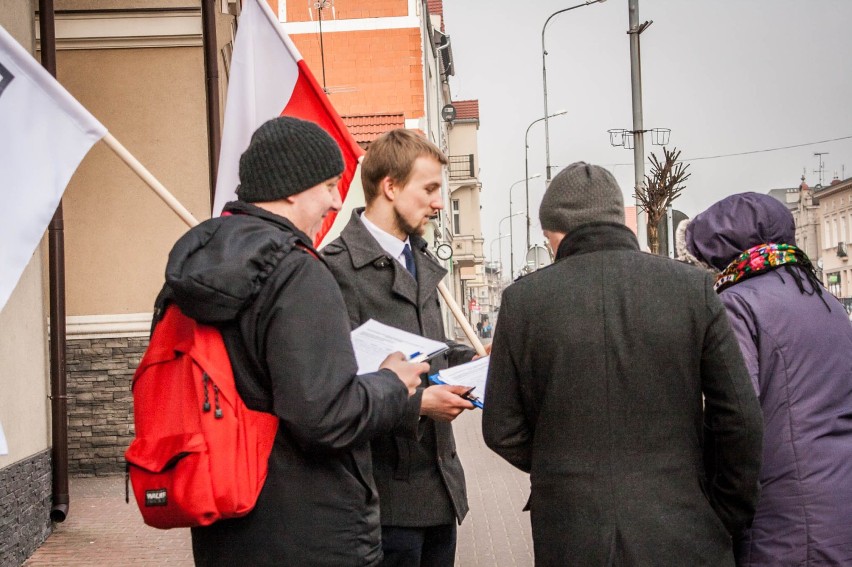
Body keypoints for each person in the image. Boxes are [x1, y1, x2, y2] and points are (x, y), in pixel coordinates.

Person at [159, 116, 427, 566]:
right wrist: (391, 383)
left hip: (224, 522)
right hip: (312, 531)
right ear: (291, 187)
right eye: (327, 184)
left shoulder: (191, 272)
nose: (334, 200)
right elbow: (325, 417)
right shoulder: (298, 272)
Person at [482, 162, 764, 566]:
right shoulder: (692, 289)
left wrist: (562, 466)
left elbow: (501, 428)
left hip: (571, 534)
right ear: (619, 219)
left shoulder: (523, 301)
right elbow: (740, 416)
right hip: (684, 528)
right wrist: (726, 513)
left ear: (555, 234)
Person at [322, 129, 475, 566]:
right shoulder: (335, 270)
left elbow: (427, 350)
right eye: (428, 189)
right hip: (381, 501)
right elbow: (334, 392)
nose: (439, 203)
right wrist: (418, 405)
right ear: (390, 186)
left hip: (439, 493)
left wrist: (473, 360)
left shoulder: (421, 260)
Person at [684, 192, 852, 566]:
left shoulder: (736, 304)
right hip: (840, 496)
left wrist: (724, 507)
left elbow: (737, 416)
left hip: (783, 513)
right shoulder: (825, 300)